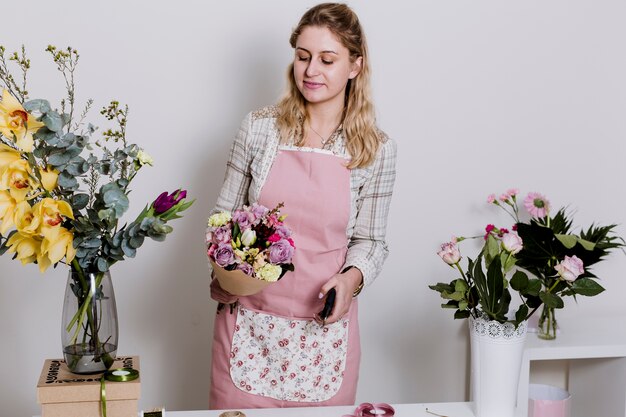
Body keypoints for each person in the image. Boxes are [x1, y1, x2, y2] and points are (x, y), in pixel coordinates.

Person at [207, 2, 396, 409]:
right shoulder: (258, 128)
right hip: (248, 328)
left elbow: (372, 242)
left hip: (323, 336)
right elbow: (221, 219)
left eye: (327, 60)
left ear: (355, 66)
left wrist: (350, 281)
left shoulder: (376, 150)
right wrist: (223, 270)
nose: (311, 71)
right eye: (303, 57)